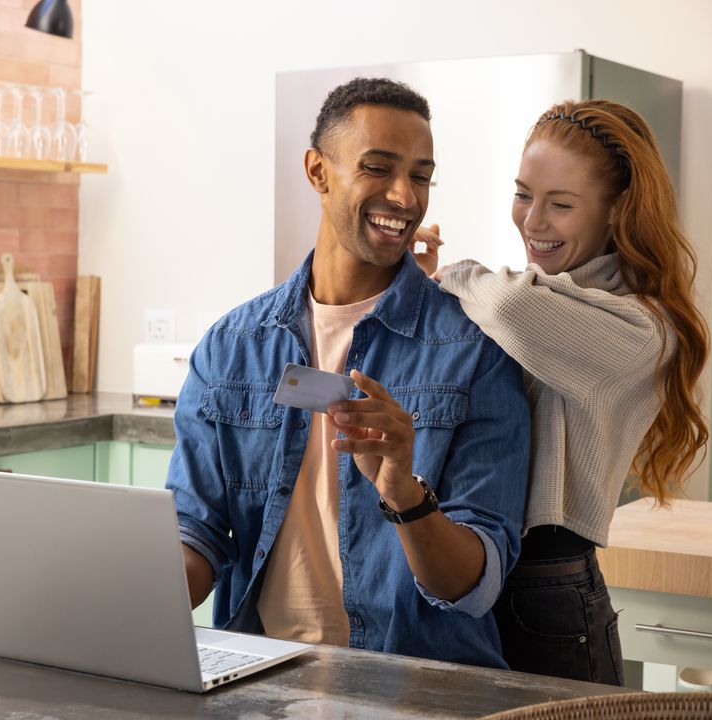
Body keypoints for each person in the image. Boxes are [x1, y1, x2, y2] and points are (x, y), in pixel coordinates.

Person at [165, 77, 531, 669]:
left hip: (417, 692)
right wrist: (99, 598)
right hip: (262, 684)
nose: (405, 197)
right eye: (378, 168)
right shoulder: (232, 347)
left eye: (419, 175)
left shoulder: (476, 351)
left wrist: (404, 496)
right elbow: (196, 536)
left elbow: (474, 584)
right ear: (318, 172)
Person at [428, 98, 710, 685]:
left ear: (616, 214)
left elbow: (508, 304)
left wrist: (449, 275)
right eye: (524, 193)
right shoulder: (543, 297)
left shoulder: (640, 329)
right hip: (475, 576)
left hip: (547, 593)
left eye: (560, 205)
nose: (532, 221)